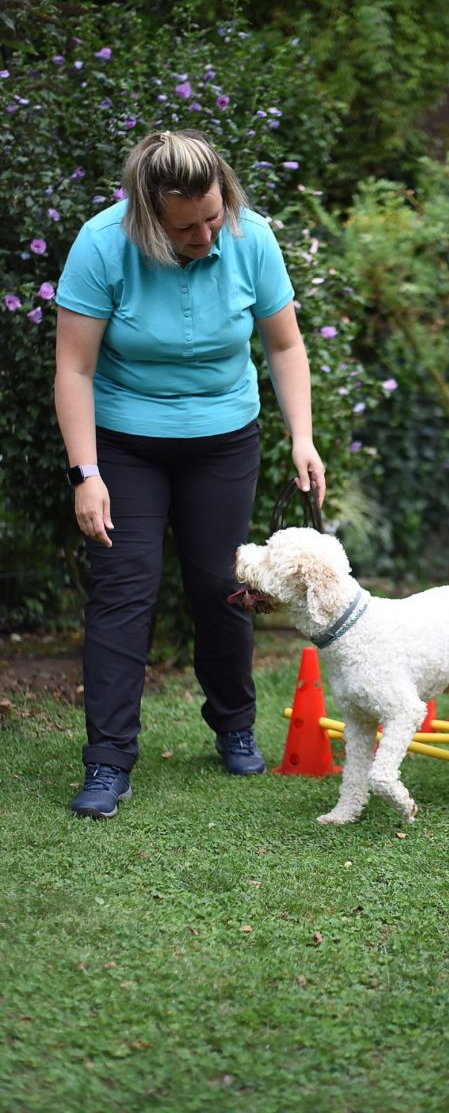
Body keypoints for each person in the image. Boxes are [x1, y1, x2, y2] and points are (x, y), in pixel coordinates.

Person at [54, 129, 326, 819]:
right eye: (186, 227)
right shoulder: (101, 244)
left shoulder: (250, 237)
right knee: (123, 588)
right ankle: (108, 760)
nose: (206, 235)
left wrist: (302, 437)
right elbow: (75, 368)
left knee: (221, 584)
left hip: (223, 439)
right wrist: (86, 472)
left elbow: (284, 344)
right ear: (149, 217)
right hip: (124, 442)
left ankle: (234, 724)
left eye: (213, 216)